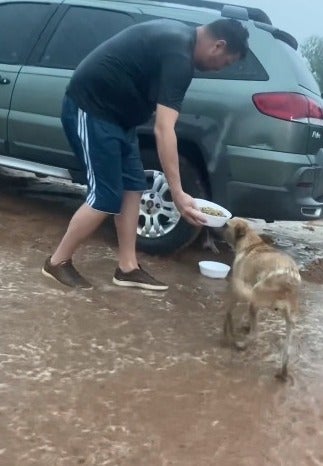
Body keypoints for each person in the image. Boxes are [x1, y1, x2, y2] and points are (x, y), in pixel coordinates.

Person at [42, 17, 249, 291]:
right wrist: (178, 194)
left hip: (120, 119)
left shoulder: (179, 42)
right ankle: (57, 262)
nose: (218, 70)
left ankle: (127, 268)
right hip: (90, 110)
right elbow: (164, 130)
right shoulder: (179, 55)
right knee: (105, 196)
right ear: (218, 46)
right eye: (224, 63)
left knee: (133, 187)